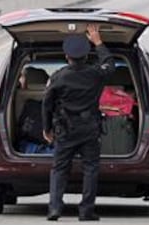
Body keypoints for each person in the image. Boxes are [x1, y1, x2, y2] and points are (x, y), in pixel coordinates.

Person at [42, 24, 115, 221]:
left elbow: (47, 104)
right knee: (90, 169)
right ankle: (86, 211)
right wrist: (98, 42)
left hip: (65, 130)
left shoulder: (59, 77)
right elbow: (109, 64)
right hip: (90, 129)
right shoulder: (95, 74)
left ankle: (55, 209)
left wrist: (46, 128)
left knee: (59, 169)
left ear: (67, 56)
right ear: (86, 56)